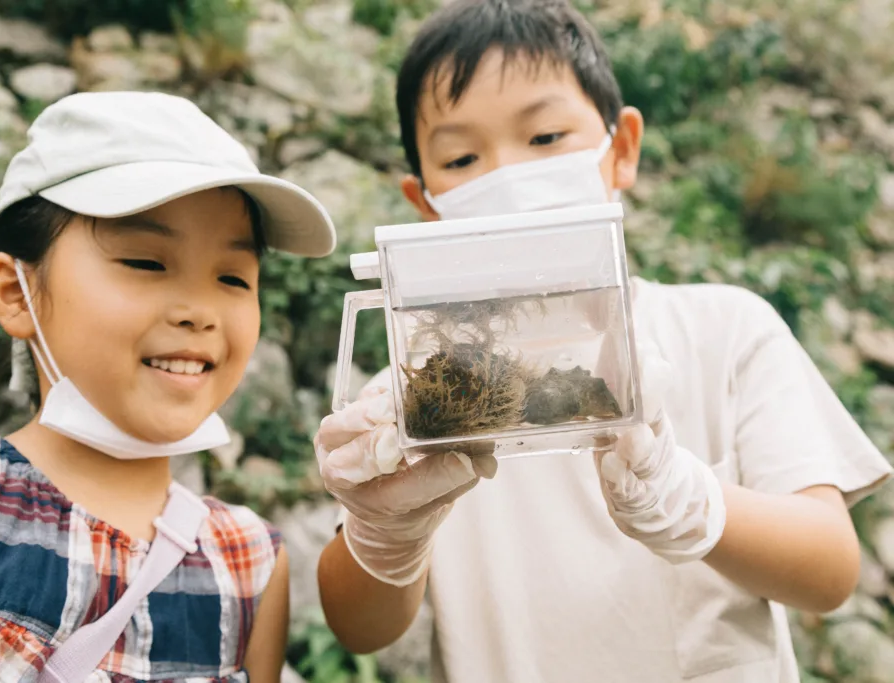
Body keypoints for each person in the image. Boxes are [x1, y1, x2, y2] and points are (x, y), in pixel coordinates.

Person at [314, 2, 893, 682]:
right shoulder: (417, 397)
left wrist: (693, 502)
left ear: (620, 150)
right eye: (463, 156)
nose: (507, 177)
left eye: (545, 136)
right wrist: (386, 533)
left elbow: (829, 569)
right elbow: (359, 627)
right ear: (424, 202)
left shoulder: (726, 329)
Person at [0, 91, 336, 682]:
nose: (200, 310)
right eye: (145, 262)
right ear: (16, 293)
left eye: (232, 277)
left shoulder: (249, 561)